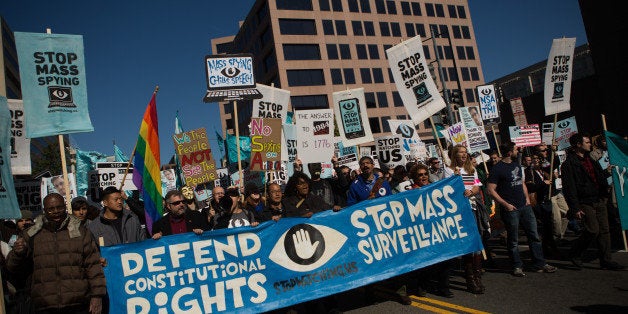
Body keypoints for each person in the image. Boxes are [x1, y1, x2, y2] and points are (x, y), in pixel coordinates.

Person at [6, 193, 106, 313]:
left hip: (78, 304)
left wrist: (97, 296)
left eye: (59, 207)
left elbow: (93, 265)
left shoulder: (81, 232)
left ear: (65, 207)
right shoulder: (31, 234)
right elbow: (12, 267)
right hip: (44, 305)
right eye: (51, 209)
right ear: (44, 210)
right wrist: (18, 253)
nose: (56, 211)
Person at [487, 142, 557, 277]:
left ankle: (540, 263)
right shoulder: (498, 169)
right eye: (515, 149)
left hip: (525, 206)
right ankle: (517, 265)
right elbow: (491, 190)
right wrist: (505, 204)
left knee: (534, 235)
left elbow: (522, 183)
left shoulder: (517, 165)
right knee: (513, 239)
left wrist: (526, 199)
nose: (517, 151)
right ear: (509, 152)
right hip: (510, 209)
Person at [561, 133, 624, 270]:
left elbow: (599, 176)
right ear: (578, 145)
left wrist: (607, 172)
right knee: (592, 230)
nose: (590, 144)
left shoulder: (591, 160)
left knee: (604, 231)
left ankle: (606, 260)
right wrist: (575, 207)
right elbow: (569, 188)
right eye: (587, 142)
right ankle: (575, 251)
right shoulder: (569, 164)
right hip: (584, 201)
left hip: (598, 198)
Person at [444, 145, 488, 294]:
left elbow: (477, 186)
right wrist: (455, 179)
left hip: (474, 208)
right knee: (469, 245)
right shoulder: (449, 170)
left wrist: (471, 191)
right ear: (455, 155)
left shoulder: (471, 170)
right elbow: (447, 191)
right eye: (461, 152)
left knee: (477, 244)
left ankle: (477, 276)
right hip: (461, 211)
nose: (464, 154)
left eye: (465, 152)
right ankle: (470, 279)